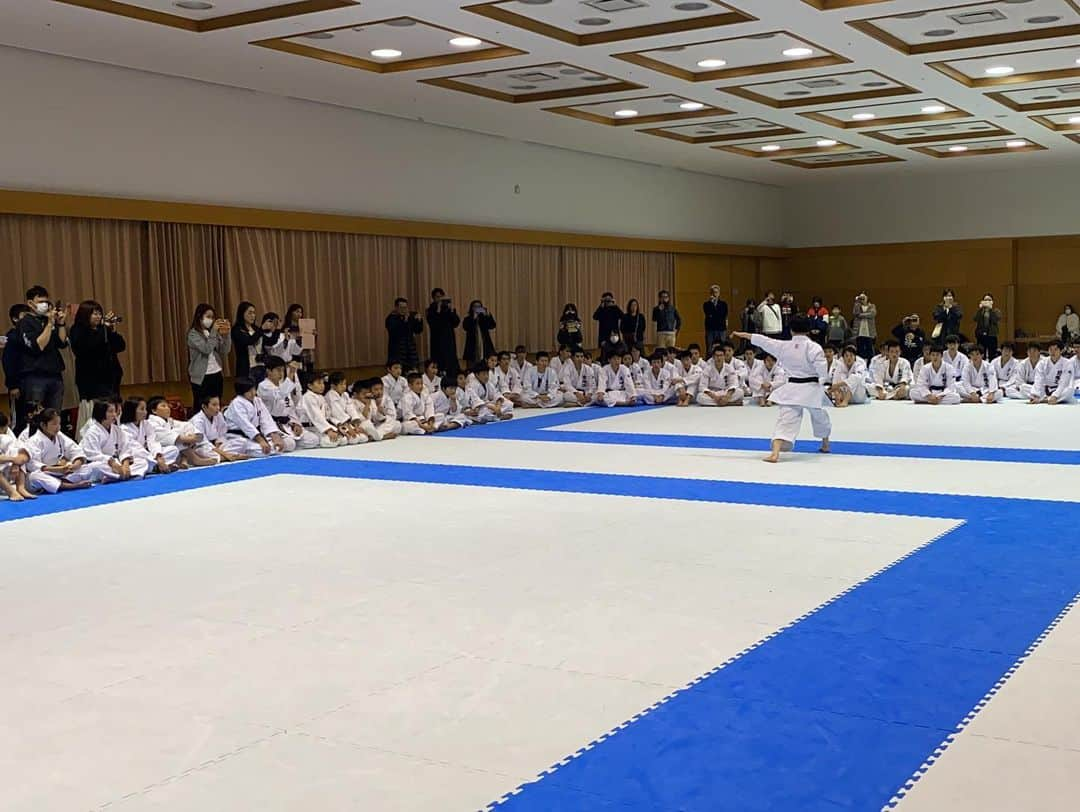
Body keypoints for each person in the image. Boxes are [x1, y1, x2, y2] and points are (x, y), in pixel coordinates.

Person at [732, 316, 831, 463]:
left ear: (791, 330)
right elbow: (822, 371)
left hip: (791, 389)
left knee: (786, 419)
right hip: (811, 388)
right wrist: (822, 383)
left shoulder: (784, 346)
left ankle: (775, 453)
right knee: (820, 416)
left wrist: (745, 335)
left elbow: (764, 341)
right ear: (809, 330)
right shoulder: (814, 347)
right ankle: (825, 444)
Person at [68, 300, 126, 439]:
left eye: (100, 313)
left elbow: (120, 346)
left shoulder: (103, 330)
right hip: (91, 379)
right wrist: (104, 329)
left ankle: (114, 437)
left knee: (112, 405)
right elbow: (90, 346)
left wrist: (111, 329)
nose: (98, 316)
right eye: (94, 314)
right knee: (96, 409)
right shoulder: (77, 330)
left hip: (110, 377)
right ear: (85, 315)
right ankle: (92, 439)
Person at [18, 286, 68, 413]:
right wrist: (50, 323)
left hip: (55, 374)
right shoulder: (25, 322)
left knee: (54, 414)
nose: (44, 305)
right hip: (35, 376)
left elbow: (62, 342)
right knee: (36, 415)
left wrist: (61, 323)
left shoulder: (47, 319)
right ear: (30, 303)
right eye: (40, 302)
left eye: (46, 302)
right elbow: (39, 345)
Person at [23, 408, 99, 493]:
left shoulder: (59, 436)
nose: (58, 427)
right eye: (54, 424)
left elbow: (75, 450)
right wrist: (57, 469)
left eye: (59, 423)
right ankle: (69, 486)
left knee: (91, 467)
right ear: (43, 425)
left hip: (62, 473)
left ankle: (60, 483)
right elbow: (33, 465)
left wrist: (76, 464)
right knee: (34, 476)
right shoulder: (34, 441)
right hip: (46, 473)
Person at [258, 358, 318, 450]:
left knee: (313, 440)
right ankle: (273, 442)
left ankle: (291, 441)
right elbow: (280, 394)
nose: (281, 373)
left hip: (287, 424)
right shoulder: (263, 386)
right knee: (290, 444)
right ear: (268, 371)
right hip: (273, 425)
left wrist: (295, 424)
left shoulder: (283, 385)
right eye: (278, 370)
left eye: (282, 370)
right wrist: (291, 374)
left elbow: (290, 409)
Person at [80, 399, 147, 481]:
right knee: (96, 467)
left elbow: (124, 449)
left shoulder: (116, 430)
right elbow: (92, 454)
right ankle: (119, 476)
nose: (114, 414)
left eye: (115, 411)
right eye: (110, 412)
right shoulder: (92, 432)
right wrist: (111, 462)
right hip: (104, 463)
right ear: (101, 412)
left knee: (142, 462)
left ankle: (115, 477)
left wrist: (125, 463)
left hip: (117, 462)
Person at [146, 396, 217, 465]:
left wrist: (193, 437)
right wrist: (188, 439)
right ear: (154, 410)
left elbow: (186, 425)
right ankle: (195, 460)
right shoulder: (151, 423)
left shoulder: (169, 421)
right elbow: (165, 437)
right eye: (163, 406)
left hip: (179, 450)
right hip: (157, 452)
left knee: (185, 429)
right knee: (175, 442)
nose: (168, 408)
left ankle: (184, 459)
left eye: (168, 406)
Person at [187, 303, 231, 410]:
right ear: (199, 317)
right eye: (208, 317)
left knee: (216, 403)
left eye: (212, 317)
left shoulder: (212, 332)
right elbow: (206, 349)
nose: (211, 320)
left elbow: (224, 350)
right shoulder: (193, 334)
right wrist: (214, 332)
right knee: (201, 405)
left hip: (216, 373)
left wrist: (227, 334)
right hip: (202, 376)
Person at [120, 398, 178, 474]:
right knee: (142, 463)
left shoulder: (146, 424)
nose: (145, 412)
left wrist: (158, 456)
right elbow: (136, 449)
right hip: (135, 456)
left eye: (145, 409)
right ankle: (156, 467)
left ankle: (155, 467)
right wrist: (155, 460)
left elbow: (153, 441)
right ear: (132, 411)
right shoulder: (124, 428)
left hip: (150, 455)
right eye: (142, 409)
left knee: (173, 449)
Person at [223, 378, 276, 456]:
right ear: (241, 392)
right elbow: (246, 425)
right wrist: (260, 440)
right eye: (249, 391)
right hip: (237, 436)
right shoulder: (237, 403)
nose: (253, 393)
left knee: (281, 445)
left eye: (254, 389)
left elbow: (266, 419)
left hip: (253, 436)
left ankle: (244, 451)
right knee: (264, 451)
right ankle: (230, 450)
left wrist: (274, 435)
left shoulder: (257, 400)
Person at [188, 394, 245, 462]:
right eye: (214, 405)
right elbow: (203, 443)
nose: (218, 408)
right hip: (200, 447)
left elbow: (222, 434)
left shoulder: (218, 415)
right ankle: (228, 456)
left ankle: (222, 457)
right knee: (203, 451)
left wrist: (219, 443)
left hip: (216, 447)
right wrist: (225, 454)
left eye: (218, 404)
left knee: (242, 442)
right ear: (204, 406)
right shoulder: (197, 421)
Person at [3, 305, 31, 434]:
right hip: (17, 385)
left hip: (31, 383)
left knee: (30, 417)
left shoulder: (30, 336)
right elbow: (8, 362)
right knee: (19, 419)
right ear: (15, 319)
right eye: (24, 316)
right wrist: (13, 385)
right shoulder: (12, 337)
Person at [426, 289, 460, 378]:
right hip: (437, 341)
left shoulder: (448, 308)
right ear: (433, 298)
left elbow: (456, 323)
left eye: (442, 296)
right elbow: (432, 323)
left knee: (451, 361)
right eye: (438, 297)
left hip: (449, 340)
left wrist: (452, 310)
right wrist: (438, 309)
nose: (440, 299)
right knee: (439, 361)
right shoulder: (431, 309)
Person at [0, 411, 34, 501]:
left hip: (8, 472)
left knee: (21, 458)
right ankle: (12, 492)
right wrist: (13, 459)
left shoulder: (7, 434)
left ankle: (21, 488)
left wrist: (16, 463)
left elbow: (19, 450)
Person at [1029, 340, 1074, 404]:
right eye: (1050, 349)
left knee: (1069, 391)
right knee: (1024, 388)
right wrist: (1036, 394)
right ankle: (1043, 398)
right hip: (1046, 390)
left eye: (1055, 349)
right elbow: (1038, 379)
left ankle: (1044, 400)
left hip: (1059, 390)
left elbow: (1064, 382)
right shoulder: (1042, 363)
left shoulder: (1067, 363)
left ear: (1061, 351)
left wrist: (1055, 395)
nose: (1053, 352)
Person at [385, 297, 423, 371]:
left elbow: (418, 330)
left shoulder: (409, 317)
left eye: (405, 307)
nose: (403, 310)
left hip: (410, 349)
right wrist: (405, 321)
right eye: (401, 307)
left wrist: (419, 320)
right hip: (398, 350)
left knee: (413, 372)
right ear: (396, 307)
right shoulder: (391, 318)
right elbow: (395, 332)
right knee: (399, 371)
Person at [231, 301, 262, 382]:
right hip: (246, 368)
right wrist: (262, 330)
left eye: (254, 313)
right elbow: (248, 341)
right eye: (250, 313)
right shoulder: (236, 330)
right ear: (242, 314)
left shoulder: (256, 329)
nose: (253, 316)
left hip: (260, 365)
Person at [282, 303, 314, 379]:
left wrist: (313, 335)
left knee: (308, 377)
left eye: (301, 312)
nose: (299, 314)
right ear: (291, 313)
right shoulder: (287, 327)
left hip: (305, 356)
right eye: (297, 312)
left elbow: (309, 343)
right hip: (293, 357)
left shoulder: (304, 326)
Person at [462, 300, 496, 366]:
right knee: (472, 367)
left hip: (485, 347)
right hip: (472, 348)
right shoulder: (468, 319)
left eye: (479, 306)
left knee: (486, 366)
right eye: (475, 306)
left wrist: (487, 315)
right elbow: (466, 327)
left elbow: (492, 325)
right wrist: (474, 317)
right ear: (472, 308)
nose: (477, 308)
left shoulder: (484, 318)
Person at [973, 293, 1002, 358]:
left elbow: (996, 319)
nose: (987, 302)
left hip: (992, 335)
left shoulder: (996, 311)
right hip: (981, 335)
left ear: (992, 302)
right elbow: (975, 318)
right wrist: (980, 309)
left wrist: (990, 310)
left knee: (992, 354)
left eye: (989, 300)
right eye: (985, 300)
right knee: (981, 354)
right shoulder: (980, 311)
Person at [851, 292, 876, 361]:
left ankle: (869, 364)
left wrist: (860, 315)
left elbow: (872, 314)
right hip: (859, 332)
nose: (862, 299)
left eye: (863, 298)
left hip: (869, 332)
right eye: (861, 298)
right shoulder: (858, 306)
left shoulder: (872, 306)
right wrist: (857, 302)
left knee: (869, 350)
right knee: (860, 350)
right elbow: (855, 313)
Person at [703, 286, 728, 351]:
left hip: (721, 328)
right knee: (710, 347)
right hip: (711, 329)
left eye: (716, 292)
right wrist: (712, 303)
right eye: (713, 292)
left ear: (719, 293)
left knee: (722, 347)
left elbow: (723, 314)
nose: (715, 294)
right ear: (711, 294)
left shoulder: (723, 304)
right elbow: (708, 313)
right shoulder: (707, 304)